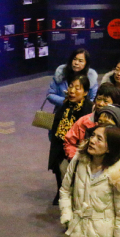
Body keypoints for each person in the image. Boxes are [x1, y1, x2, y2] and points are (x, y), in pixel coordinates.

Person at [48, 75, 93, 204]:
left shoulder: (88, 110)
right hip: (60, 147)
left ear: (85, 92)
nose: (72, 91)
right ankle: (62, 193)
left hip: (77, 151)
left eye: (77, 88)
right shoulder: (65, 106)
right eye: (71, 87)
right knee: (60, 171)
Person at [62, 83, 120, 160]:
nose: (100, 103)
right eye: (99, 99)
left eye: (105, 101)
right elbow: (69, 143)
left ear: (115, 104)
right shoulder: (84, 121)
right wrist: (77, 159)